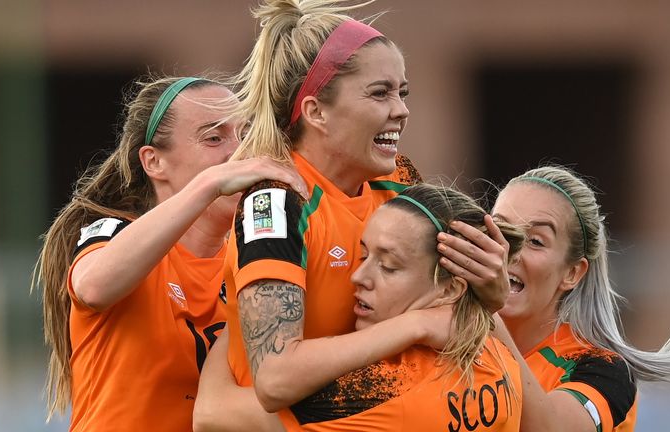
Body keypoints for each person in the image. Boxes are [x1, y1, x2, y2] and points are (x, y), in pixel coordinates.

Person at [219, 1, 511, 429]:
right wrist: (413, 326)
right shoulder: (278, 203)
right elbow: (276, 379)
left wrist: (490, 293)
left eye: (402, 92)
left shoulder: (399, 178)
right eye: (380, 93)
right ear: (317, 111)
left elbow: (457, 306)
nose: (401, 110)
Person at [31, 73, 307, 431]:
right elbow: (94, 287)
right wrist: (210, 183)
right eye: (213, 137)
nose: (240, 151)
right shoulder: (115, 234)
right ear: (154, 162)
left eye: (244, 135)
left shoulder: (254, 262)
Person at [195, 183, 525, 432]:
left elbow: (212, 412)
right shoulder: (502, 358)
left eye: (389, 266)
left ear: (450, 288)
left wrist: (241, 309)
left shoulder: (380, 389)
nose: (358, 276)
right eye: (365, 255)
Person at [441, 165, 670, 432]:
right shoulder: (446, 340)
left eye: (535, 241)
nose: (509, 249)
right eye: (502, 228)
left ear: (572, 273)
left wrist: (488, 310)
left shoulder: (602, 370)